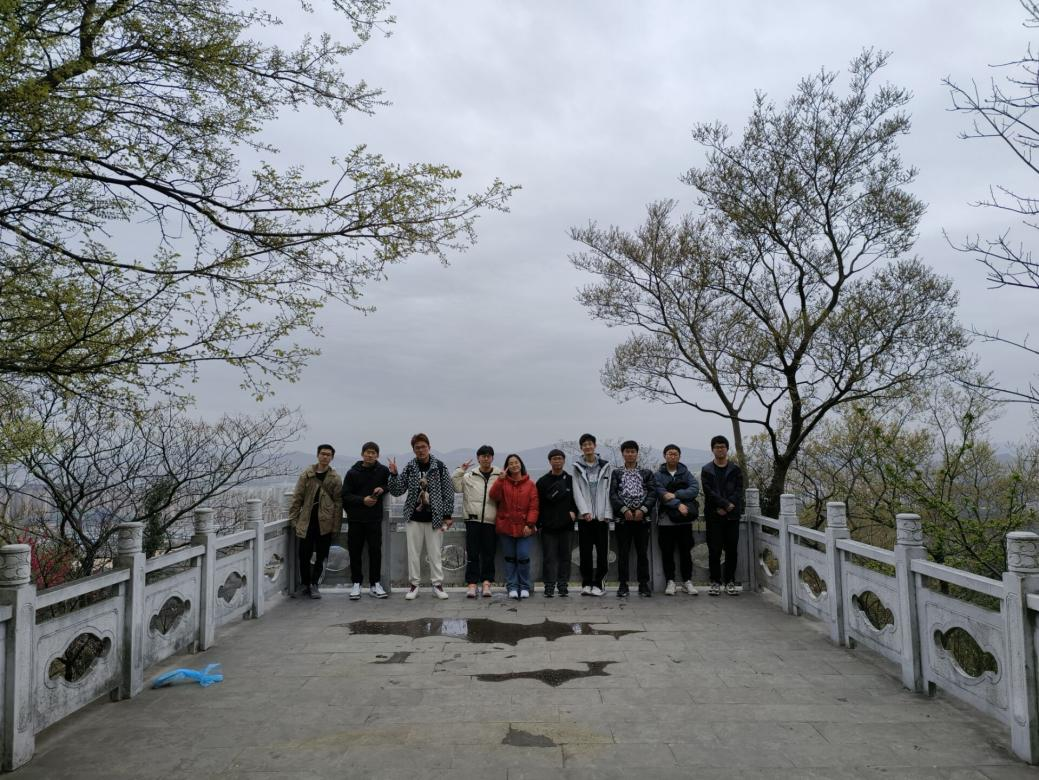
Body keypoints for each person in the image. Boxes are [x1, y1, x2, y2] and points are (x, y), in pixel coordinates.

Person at [388, 433, 455, 600]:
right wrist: (394, 475)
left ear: (429, 447)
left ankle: (437, 585)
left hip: (435, 517)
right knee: (413, 553)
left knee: (435, 553)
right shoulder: (410, 467)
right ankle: (414, 585)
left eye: (423, 447)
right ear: (413, 450)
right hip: (414, 517)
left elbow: (448, 492)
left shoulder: (439, 467)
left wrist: (447, 515)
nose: (421, 450)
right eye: (417, 447)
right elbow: (397, 490)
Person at [287, 444, 343, 599]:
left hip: (325, 523)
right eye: (322, 453)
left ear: (332, 457)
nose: (325, 457)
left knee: (321, 556)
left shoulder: (335, 478)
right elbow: (297, 497)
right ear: (318, 455)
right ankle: (305, 584)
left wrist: (336, 526)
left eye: (328, 454)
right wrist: (293, 520)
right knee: (303, 555)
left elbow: (338, 503)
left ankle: (315, 584)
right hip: (306, 521)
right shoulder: (307, 474)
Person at [341, 441, 391, 600]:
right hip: (356, 519)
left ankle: (375, 584)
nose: (370, 455)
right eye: (367, 452)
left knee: (375, 551)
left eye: (373, 453)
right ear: (362, 454)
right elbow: (345, 495)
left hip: (374, 519)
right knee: (355, 551)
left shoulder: (383, 471)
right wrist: (363, 500)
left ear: (378, 455)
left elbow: (391, 485)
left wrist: (383, 488)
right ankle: (356, 583)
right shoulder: (352, 473)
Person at [453, 445, 503, 598]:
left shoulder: (500, 475)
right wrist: (460, 470)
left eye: (488, 456)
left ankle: (487, 583)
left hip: (491, 520)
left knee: (489, 554)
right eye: (483, 456)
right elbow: (456, 487)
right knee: (472, 554)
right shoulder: (469, 476)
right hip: (472, 520)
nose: (486, 458)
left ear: (492, 458)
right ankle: (472, 584)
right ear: (478, 458)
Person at [609, 440, 657, 597]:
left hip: (642, 520)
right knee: (623, 553)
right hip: (623, 520)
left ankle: (643, 584)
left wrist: (643, 509)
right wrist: (624, 510)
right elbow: (613, 494)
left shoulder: (646, 473)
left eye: (632, 451)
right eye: (627, 451)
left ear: (637, 453)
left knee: (642, 553)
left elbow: (652, 493)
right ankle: (623, 584)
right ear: (622, 454)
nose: (630, 454)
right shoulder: (616, 473)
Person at [490, 453, 539, 599]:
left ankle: (524, 586)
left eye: (516, 462)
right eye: (510, 463)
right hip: (506, 526)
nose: (514, 465)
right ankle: (512, 586)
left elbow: (534, 507)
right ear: (507, 467)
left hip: (524, 528)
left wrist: (530, 524)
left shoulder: (530, 484)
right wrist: (500, 480)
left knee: (523, 556)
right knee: (510, 558)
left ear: (521, 464)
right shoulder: (503, 482)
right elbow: (493, 496)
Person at [701, 435, 745, 596]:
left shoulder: (735, 469)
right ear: (712, 449)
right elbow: (708, 492)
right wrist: (723, 505)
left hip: (732, 516)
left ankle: (730, 581)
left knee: (732, 550)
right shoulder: (707, 470)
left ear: (727, 449)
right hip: (714, 515)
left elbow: (738, 490)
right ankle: (715, 582)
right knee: (714, 550)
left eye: (722, 447)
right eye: (717, 447)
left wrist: (728, 505)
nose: (720, 449)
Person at [654, 444, 700, 596]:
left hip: (684, 520)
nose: (672, 456)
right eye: (669, 454)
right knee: (667, 552)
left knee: (685, 551)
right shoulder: (658, 475)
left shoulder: (685, 473)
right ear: (664, 456)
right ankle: (670, 581)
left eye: (675, 454)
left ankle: (687, 581)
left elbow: (694, 489)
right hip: (665, 520)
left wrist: (676, 495)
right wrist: (678, 504)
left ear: (679, 456)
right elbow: (661, 493)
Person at [572, 433, 613, 596]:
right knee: (585, 553)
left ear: (595, 446)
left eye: (590, 444)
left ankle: (599, 584)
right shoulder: (577, 467)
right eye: (584, 444)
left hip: (602, 518)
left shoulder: (606, 466)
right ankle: (587, 583)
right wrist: (584, 511)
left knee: (603, 553)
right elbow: (577, 491)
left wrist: (607, 512)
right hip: (585, 518)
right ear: (581, 448)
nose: (587, 447)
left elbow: (609, 490)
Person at [536, 449, 577, 597]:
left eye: (560, 458)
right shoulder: (542, 481)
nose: (557, 461)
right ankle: (549, 586)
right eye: (554, 459)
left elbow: (577, 500)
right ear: (550, 461)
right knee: (549, 558)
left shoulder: (571, 480)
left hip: (566, 526)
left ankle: (563, 585)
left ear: (564, 460)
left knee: (565, 557)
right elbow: (537, 504)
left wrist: (574, 512)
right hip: (548, 527)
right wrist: (538, 523)